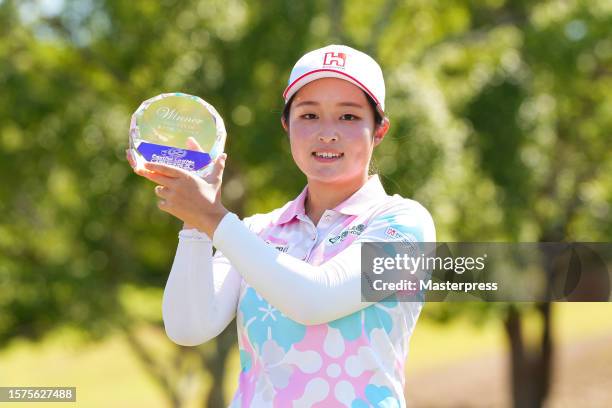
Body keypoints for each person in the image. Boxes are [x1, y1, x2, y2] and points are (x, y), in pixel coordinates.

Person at [128, 44, 435, 407]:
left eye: (349, 117)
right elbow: (188, 327)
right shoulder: (256, 231)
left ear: (379, 129)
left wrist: (212, 217)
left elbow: (314, 299)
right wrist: (195, 226)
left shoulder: (405, 225)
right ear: (286, 125)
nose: (328, 133)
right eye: (309, 116)